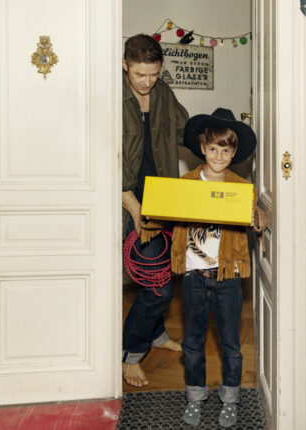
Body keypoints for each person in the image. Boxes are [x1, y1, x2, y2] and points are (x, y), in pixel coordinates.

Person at [170, 108, 266, 427]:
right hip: (194, 276)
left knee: (230, 344)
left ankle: (231, 399)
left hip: (228, 278)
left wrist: (256, 219)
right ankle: (195, 396)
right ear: (202, 147)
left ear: (234, 152)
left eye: (226, 150)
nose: (219, 156)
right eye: (213, 149)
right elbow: (166, 213)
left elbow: (258, 219)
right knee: (192, 342)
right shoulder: (185, 183)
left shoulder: (242, 188)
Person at [121, 34, 189, 387]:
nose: (147, 82)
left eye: (154, 74)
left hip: (163, 197)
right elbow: (104, 155)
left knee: (164, 270)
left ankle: (157, 334)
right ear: (125, 65)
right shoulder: (112, 97)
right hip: (128, 198)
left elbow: (186, 131)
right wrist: (132, 206)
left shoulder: (163, 94)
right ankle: (130, 353)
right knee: (156, 284)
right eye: (140, 75)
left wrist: (219, 140)